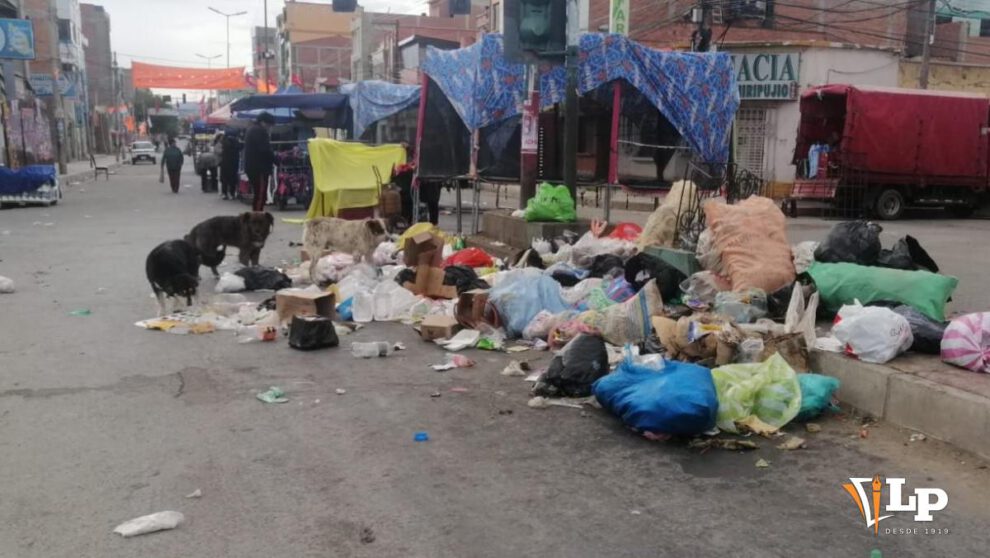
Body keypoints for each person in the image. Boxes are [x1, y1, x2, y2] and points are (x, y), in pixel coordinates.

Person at [244, 112, 275, 211]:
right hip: (259, 168)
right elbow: (265, 150)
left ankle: (256, 217)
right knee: (260, 195)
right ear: (264, 122)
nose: (270, 128)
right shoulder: (260, 131)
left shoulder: (252, 129)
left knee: (258, 194)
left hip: (253, 167)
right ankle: (257, 219)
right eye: (269, 125)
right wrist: (275, 159)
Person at [220, 131, 241, 201]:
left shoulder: (224, 142)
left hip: (225, 163)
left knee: (225, 179)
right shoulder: (236, 142)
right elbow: (241, 147)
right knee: (232, 179)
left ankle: (224, 193)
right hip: (233, 163)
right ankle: (231, 194)